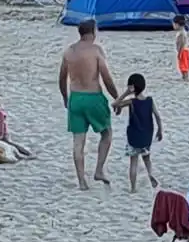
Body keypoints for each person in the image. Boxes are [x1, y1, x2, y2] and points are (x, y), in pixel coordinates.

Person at [59, 19, 119, 190]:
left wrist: (65, 97)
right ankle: (99, 169)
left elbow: (61, 78)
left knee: (78, 141)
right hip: (93, 97)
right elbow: (106, 78)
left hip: (76, 98)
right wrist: (117, 98)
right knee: (106, 133)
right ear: (93, 32)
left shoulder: (69, 51)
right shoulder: (96, 50)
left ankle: (82, 182)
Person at [111, 72, 162, 192]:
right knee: (147, 159)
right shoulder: (149, 100)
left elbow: (115, 104)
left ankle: (133, 188)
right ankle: (150, 174)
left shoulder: (132, 102)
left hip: (134, 137)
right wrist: (160, 130)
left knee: (133, 162)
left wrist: (126, 93)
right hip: (146, 136)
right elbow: (157, 116)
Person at [173, 14, 189, 81]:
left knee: (184, 67)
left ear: (177, 24)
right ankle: (184, 77)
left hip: (183, 51)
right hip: (183, 51)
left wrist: (179, 53)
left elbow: (182, 43)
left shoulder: (181, 33)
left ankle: (185, 78)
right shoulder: (182, 32)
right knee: (183, 66)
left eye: (174, 24)